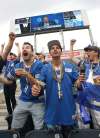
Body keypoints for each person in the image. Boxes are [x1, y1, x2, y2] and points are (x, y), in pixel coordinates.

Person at [32, 40, 79, 138]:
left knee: (70, 135)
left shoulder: (69, 66)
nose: (55, 50)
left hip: (68, 109)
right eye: (52, 48)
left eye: (57, 48)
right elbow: (40, 82)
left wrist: (80, 81)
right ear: (49, 53)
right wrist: (36, 86)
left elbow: (77, 82)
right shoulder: (45, 68)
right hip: (52, 111)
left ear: (61, 51)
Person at [0, 42, 45, 131]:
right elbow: (8, 81)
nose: (24, 49)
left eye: (27, 47)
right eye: (23, 48)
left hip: (37, 102)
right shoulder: (18, 65)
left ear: (32, 52)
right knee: (14, 128)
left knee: (39, 130)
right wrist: (1, 78)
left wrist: (27, 74)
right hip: (23, 100)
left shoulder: (39, 64)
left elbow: (39, 84)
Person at [76, 45, 100, 129]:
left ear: (96, 52)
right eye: (86, 51)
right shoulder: (85, 65)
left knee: (98, 125)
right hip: (84, 100)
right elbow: (78, 84)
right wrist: (79, 82)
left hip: (97, 102)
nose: (87, 53)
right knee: (83, 126)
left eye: (89, 51)